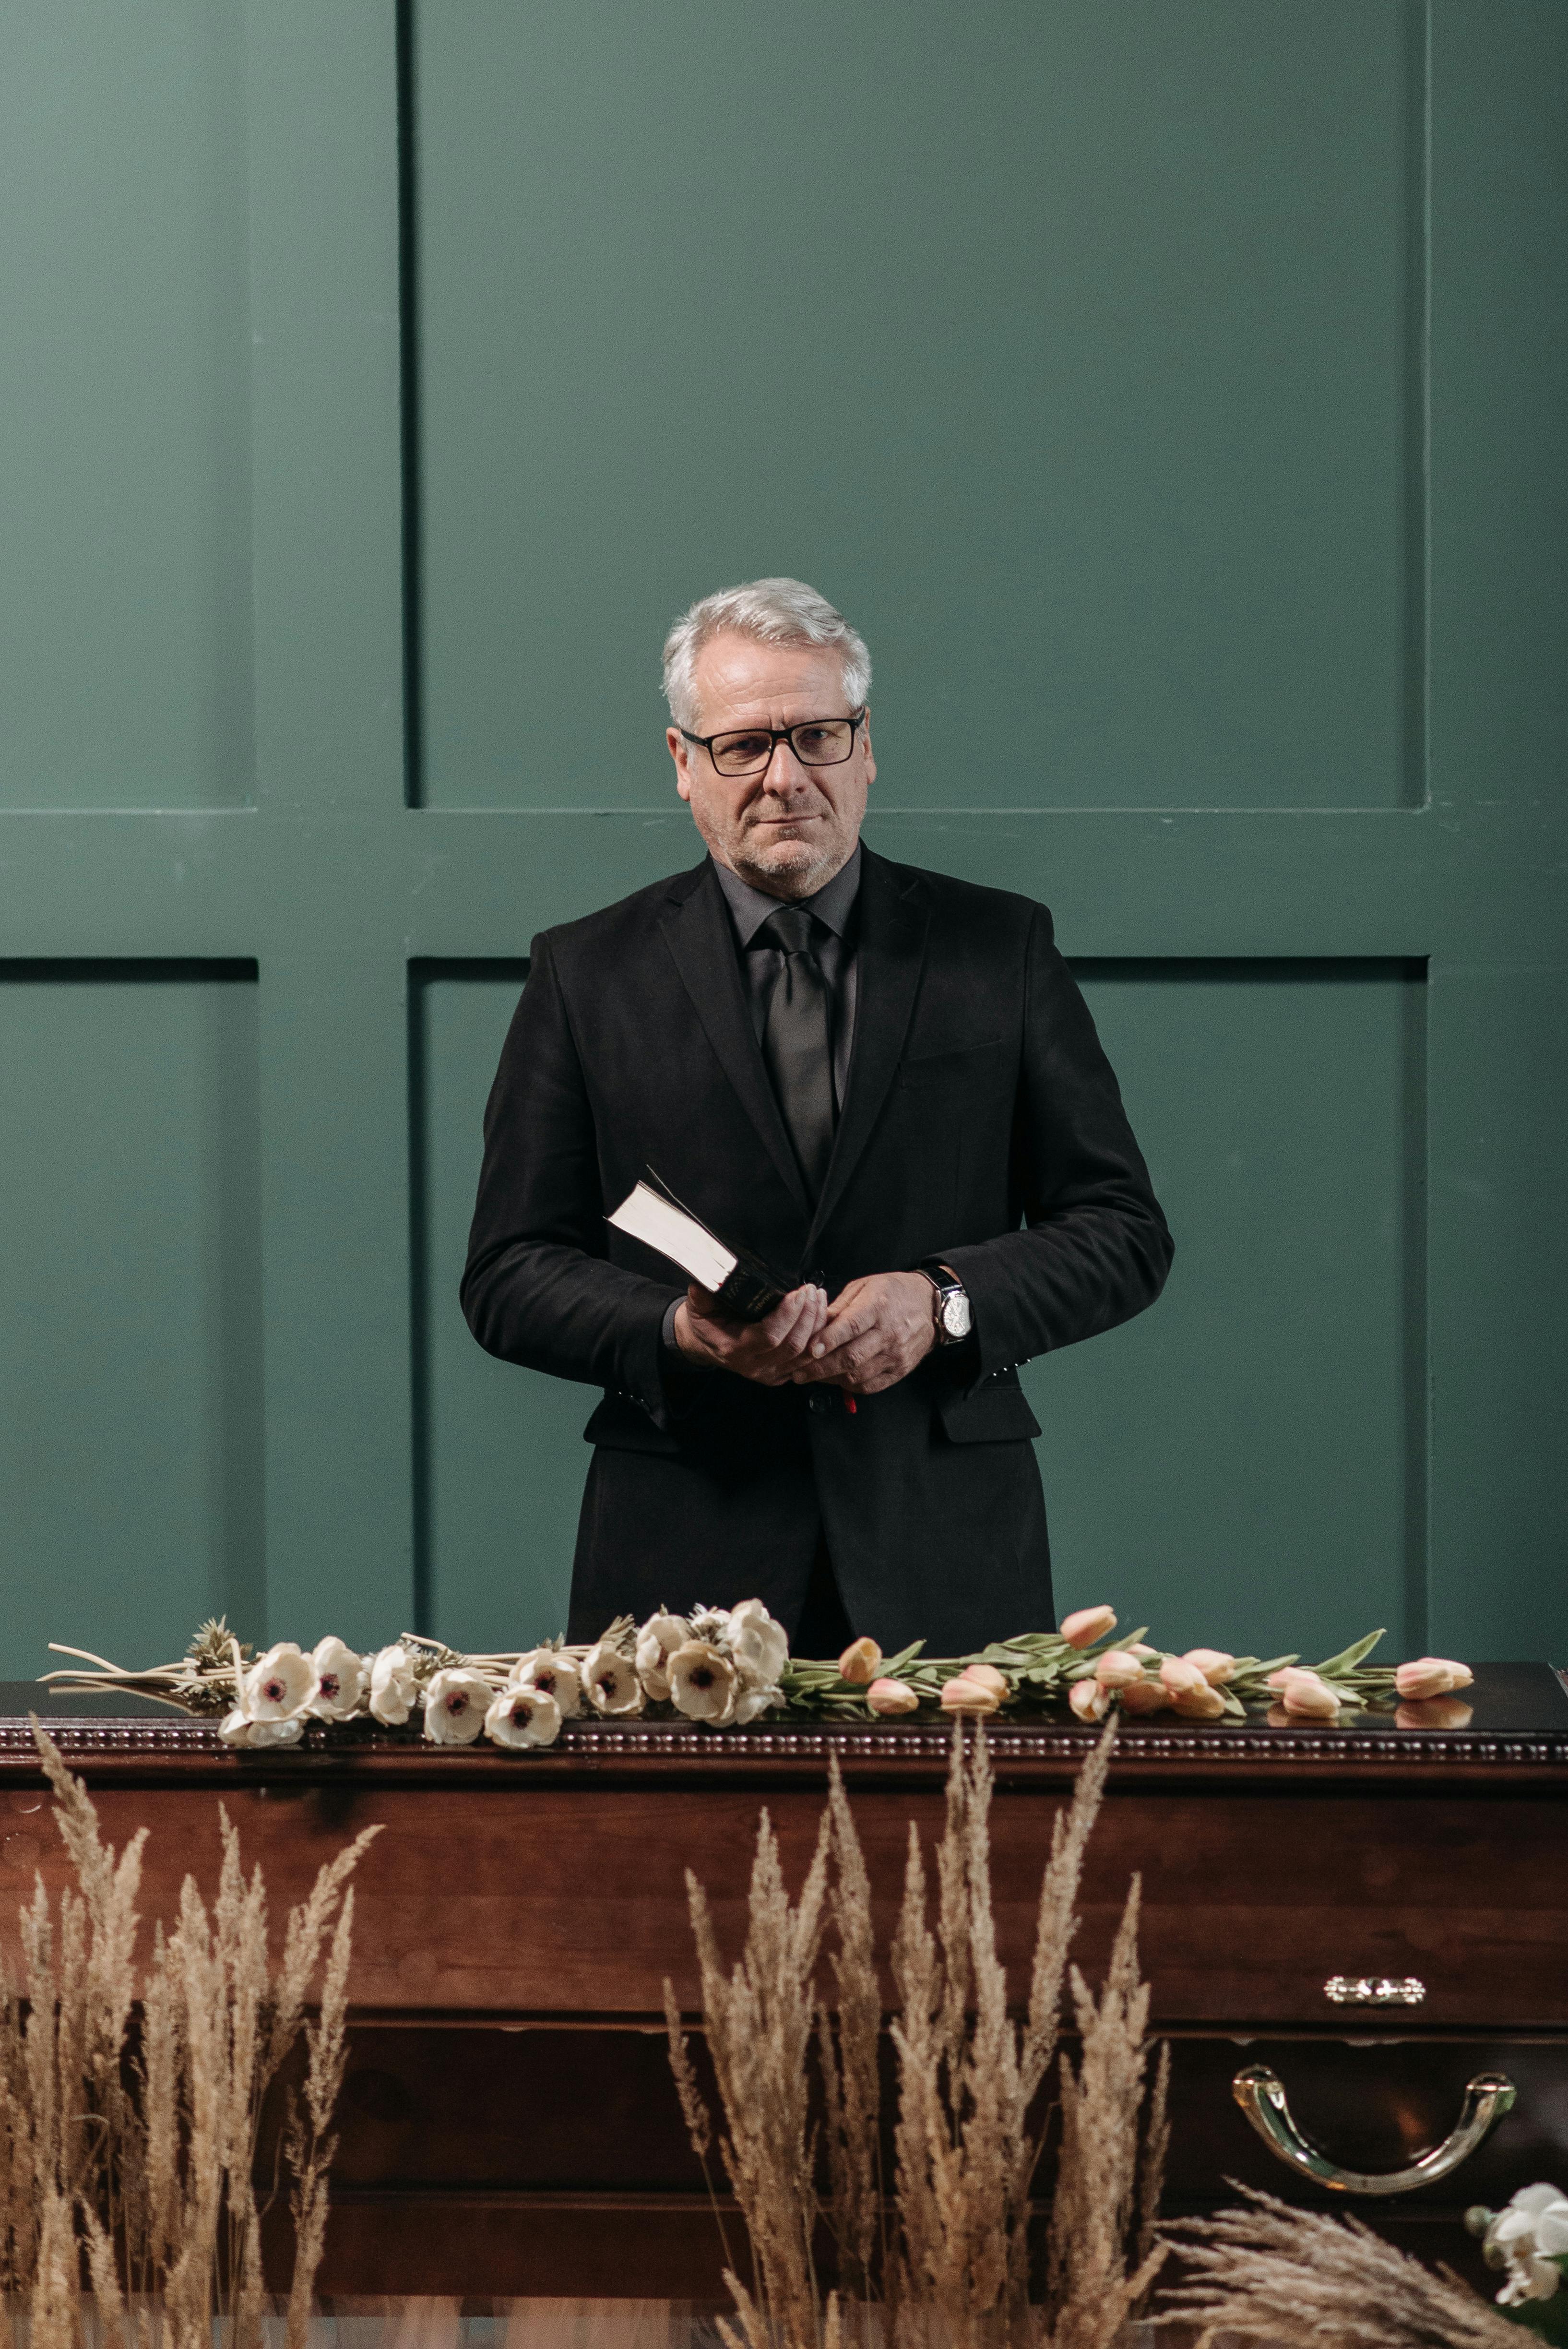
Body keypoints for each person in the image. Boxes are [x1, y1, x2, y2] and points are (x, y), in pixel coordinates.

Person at [462, 579, 1173, 1657]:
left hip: (946, 1559)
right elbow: (509, 1270)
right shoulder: (583, 974)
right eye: (744, 746)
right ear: (681, 762)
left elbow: (1121, 1231)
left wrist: (941, 1306)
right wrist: (677, 1331)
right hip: (676, 1563)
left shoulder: (1001, 948)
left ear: (865, 745)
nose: (785, 778)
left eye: (817, 736)